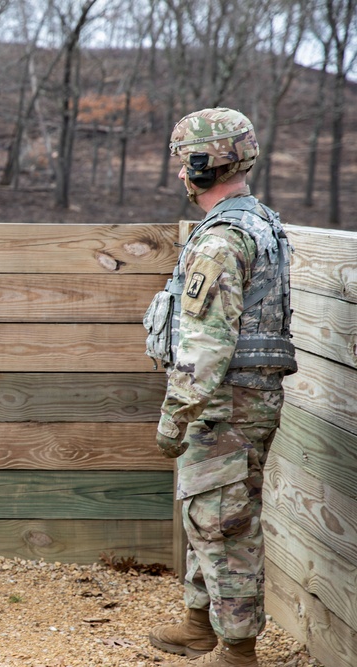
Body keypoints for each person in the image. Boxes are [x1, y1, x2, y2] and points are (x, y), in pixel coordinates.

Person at [142, 108, 297, 667]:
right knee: (208, 510)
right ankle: (199, 623)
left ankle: (236, 650)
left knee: (223, 521)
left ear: (201, 166)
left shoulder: (222, 240)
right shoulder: (257, 221)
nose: (180, 173)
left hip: (223, 401)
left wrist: (174, 415)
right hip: (237, 400)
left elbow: (206, 346)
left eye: (185, 161)